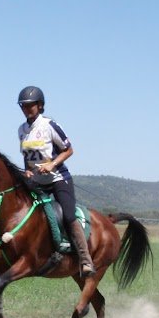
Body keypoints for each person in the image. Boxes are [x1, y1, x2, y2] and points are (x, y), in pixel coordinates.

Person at [17, 85, 96, 277]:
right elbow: (28, 157)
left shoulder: (49, 125)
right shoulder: (21, 130)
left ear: (40, 105)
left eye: (31, 105)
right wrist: (27, 171)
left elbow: (69, 150)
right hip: (36, 182)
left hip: (59, 179)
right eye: (24, 106)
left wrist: (52, 164)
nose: (27, 109)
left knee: (68, 216)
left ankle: (85, 260)